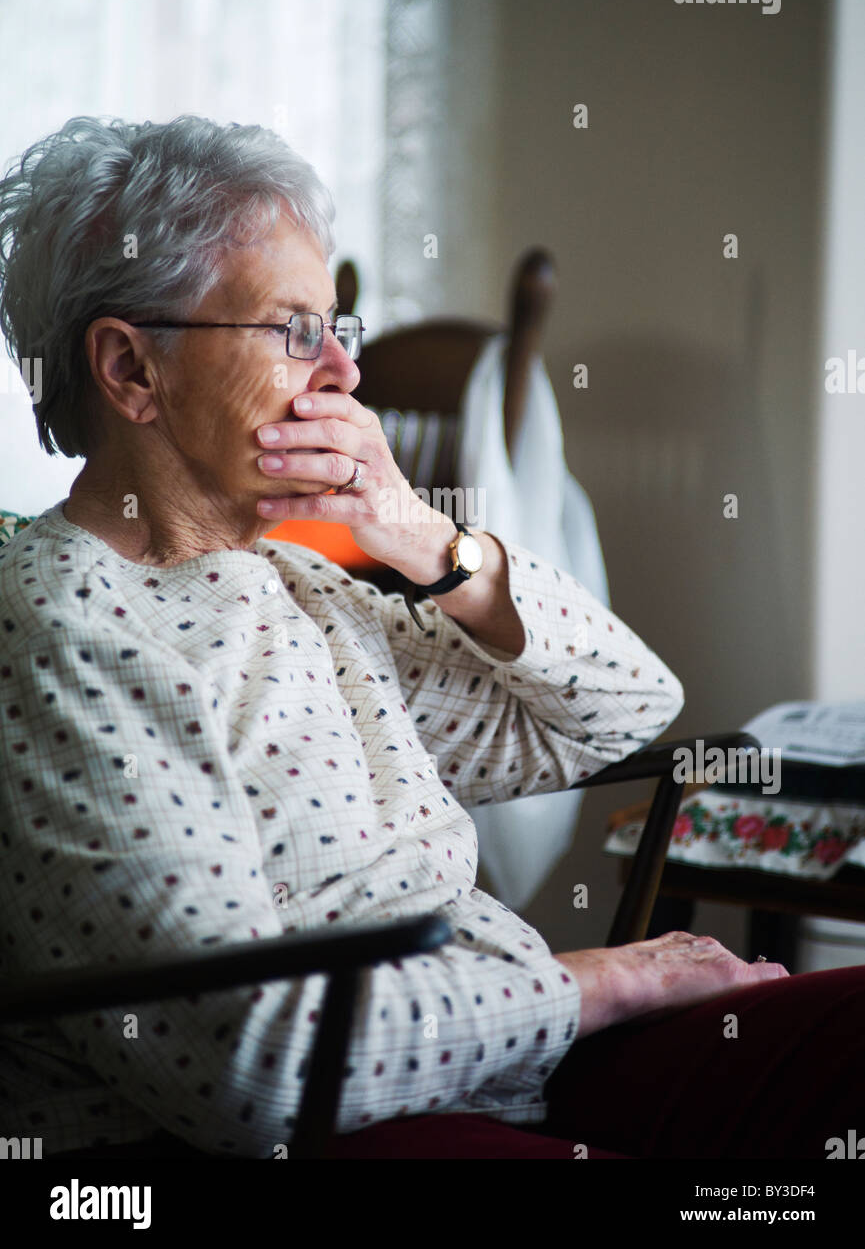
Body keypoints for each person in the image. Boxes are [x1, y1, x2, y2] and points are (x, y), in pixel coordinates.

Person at [0, 116, 860, 1162]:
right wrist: (600, 980)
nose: (343, 378)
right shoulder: (65, 628)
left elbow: (628, 707)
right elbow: (250, 1065)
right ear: (132, 371)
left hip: (514, 1066)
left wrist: (428, 540)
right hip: (326, 1135)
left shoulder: (296, 586)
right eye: (291, 331)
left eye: (338, 331)